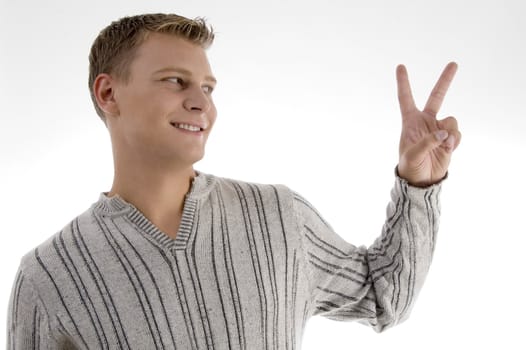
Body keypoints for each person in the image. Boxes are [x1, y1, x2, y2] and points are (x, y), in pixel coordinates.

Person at [6, 13, 461, 350]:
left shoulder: (279, 217)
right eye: (175, 81)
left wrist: (420, 184)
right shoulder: (48, 278)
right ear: (108, 93)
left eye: (207, 88)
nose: (200, 103)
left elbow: (385, 298)